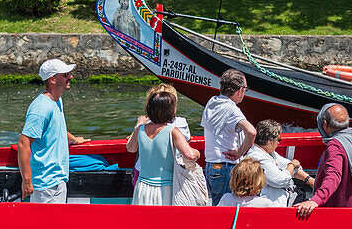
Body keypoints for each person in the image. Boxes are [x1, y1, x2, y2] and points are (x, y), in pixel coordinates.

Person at [17, 59, 89, 203]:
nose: (71, 77)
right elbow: (24, 143)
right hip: (45, 185)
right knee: (44, 225)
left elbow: (56, 128)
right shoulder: (41, 108)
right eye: (66, 74)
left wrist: (73, 139)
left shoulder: (57, 100)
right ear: (52, 79)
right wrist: (27, 181)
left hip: (58, 178)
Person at [126, 91, 200, 205]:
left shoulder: (140, 129)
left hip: (142, 187)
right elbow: (190, 155)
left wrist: (138, 125)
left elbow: (130, 148)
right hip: (166, 188)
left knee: (144, 221)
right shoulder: (172, 131)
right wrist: (197, 153)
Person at [294, 103, 352, 217]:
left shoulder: (335, 146)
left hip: (340, 214)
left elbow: (333, 176)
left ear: (324, 124)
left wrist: (316, 200)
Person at [201, 68, 256, 204]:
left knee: (217, 205)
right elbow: (251, 131)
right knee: (226, 209)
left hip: (211, 165)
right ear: (240, 90)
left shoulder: (212, 102)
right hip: (226, 166)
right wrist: (239, 152)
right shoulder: (232, 110)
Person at [244, 120, 313, 206]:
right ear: (270, 141)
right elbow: (280, 181)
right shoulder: (257, 158)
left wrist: (309, 180)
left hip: (285, 198)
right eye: (278, 139)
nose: (278, 142)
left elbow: (288, 165)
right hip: (271, 205)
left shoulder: (268, 152)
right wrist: (292, 165)